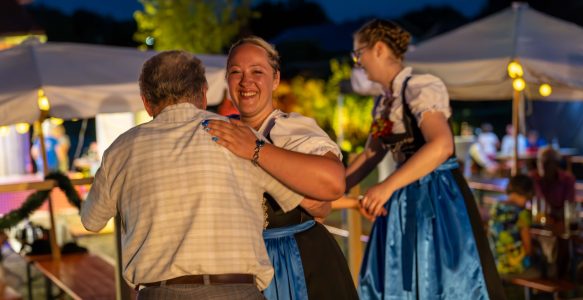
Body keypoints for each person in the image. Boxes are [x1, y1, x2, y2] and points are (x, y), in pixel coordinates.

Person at [80, 50, 305, 300]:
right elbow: (297, 197)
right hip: (238, 291)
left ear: (146, 101)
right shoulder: (239, 136)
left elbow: (91, 220)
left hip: (160, 293)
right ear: (204, 93)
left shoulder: (121, 149)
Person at [345, 19, 505, 299]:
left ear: (379, 49)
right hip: (402, 197)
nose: (358, 61)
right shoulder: (384, 102)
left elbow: (442, 145)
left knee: (440, 281)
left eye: (359, 53)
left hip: (436, 195)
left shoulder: (419, 87)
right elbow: (371, 154)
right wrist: (331, 187)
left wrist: (386, 186)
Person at [205, 36, 358, 300]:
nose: (245, 81)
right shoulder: (218, 129)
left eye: (257, 72)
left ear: (275, 79)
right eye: (235, 72)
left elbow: (333, 185)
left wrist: (256, 150)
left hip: (299, 261)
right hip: (240, 265)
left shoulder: (294, 129)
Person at [530, 146, 575, 278]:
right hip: (541, 221)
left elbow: (569, 205)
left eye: (547, 162)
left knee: (563, 237)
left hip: (559, 220)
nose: (542, 165)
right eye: (540, 161)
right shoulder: (534, 178)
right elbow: (537, 204)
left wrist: (557, 219)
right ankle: (549, 278)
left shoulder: (567, 179)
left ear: (555, 164)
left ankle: (560, 279)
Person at [489, 174, 539, 278]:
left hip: (495, 264)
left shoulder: (496, 207)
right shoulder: (522, 213)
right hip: (516, 267)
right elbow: (528, 248)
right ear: (527, 193)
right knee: (545, 267)